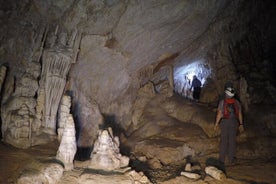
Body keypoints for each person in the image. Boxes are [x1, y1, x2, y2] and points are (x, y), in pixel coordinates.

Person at [214, 87, 244, 165]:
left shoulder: (223, 102)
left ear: (226, 94)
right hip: (234, 122)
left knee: (224, 141)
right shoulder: (237, 102)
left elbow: (220, 113)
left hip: (225, 122)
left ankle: (221, 160)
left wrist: (216, 123)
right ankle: (231, 160)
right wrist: (241, 124)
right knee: (232, 141)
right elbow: (240, 113)